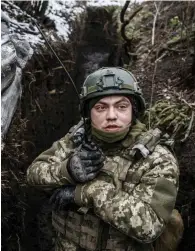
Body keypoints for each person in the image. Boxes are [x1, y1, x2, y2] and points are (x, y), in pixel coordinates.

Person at [26, 67, 183, 251]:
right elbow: (33, 174)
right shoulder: (75, 141)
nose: (111, 116)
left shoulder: (157, 158)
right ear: (87, 114)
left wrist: (86, 192)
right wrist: (67, 170)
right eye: (100, 107)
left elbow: (149, 226)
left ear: (134, 110)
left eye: (121, 106)